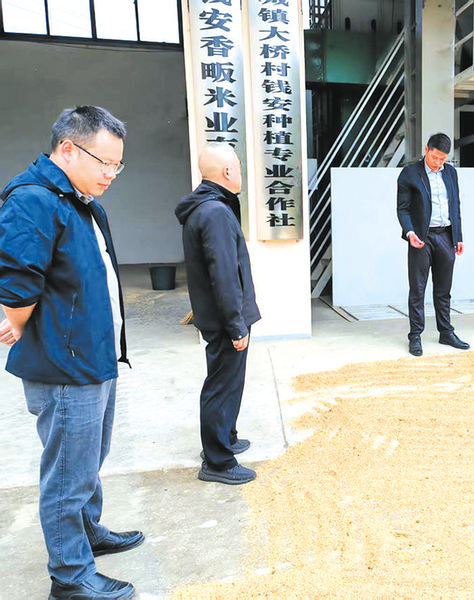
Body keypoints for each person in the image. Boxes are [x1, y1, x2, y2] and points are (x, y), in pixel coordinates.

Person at [0, 106, 141, 600]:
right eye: (105, 162)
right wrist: (17, 322)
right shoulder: (33, 200)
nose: (111, 173)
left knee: (88, 459)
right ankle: (70, 574)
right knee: (67, 473)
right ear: (67, 149)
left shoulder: (81, 201)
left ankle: (88, 532)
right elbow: (17, 282)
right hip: (65, 365)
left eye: (117, 164)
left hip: (95, 356)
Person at [175, 143, 261, 485]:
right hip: (226, 318)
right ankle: (218, 462)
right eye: (237, 166)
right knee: (221, 386)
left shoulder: (209, 207)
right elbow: (224, 274)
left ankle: (226, 437)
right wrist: (236, 325)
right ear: (227, 171)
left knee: (228, 381)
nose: (240, 171)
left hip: (222, 315)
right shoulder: (214, 212)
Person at [396, 133, 470, 356]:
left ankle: (446, 332)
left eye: (443, 159)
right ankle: (415, 336)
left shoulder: (451, 173)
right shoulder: (410, 173)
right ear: (426, 150)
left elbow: (455, 205)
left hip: (446, 236)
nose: (438, 163)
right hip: (421, 238)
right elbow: (403, 208)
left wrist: (458, 236)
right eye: (435, 157)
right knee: (417, 290)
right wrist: (410, 232)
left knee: (443, 289)